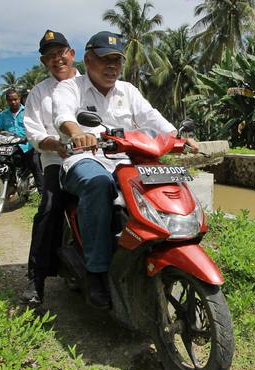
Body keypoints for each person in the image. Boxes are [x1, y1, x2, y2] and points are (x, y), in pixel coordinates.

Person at [52, 31, 199, 309]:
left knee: (160, 187)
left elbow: (151, 116)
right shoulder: (71, 87)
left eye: (117, 61)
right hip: (85, 160)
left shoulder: (128, 90)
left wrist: (177, 136)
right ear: (88, 59)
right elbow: (64, 115)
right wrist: (76, 133)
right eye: (105, 59)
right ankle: (96, 271)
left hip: (126, 162)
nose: (112, 67)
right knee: (99, 184)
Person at [21, 30, 79, 305]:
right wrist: (53, 144)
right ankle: (36, 278)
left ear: (72, 54)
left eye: (61, 53)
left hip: (95, 156)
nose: (57, 60)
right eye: (50, 56)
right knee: (50, 205)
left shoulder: (90, 84)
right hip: (55, 157)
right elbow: (32, 129)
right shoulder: (38, 93)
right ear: (44, 62)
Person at [0, 88, 44, 194]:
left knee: (35, 166)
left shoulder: (28, 112)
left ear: (19, 99)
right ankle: (7, 182)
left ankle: (42, 195)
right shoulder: (3, 114)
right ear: (7, 101)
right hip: (9, 145)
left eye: (15, 99)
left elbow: (36, 126)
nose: (13, 102)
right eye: (10, 100)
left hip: (27, 146)